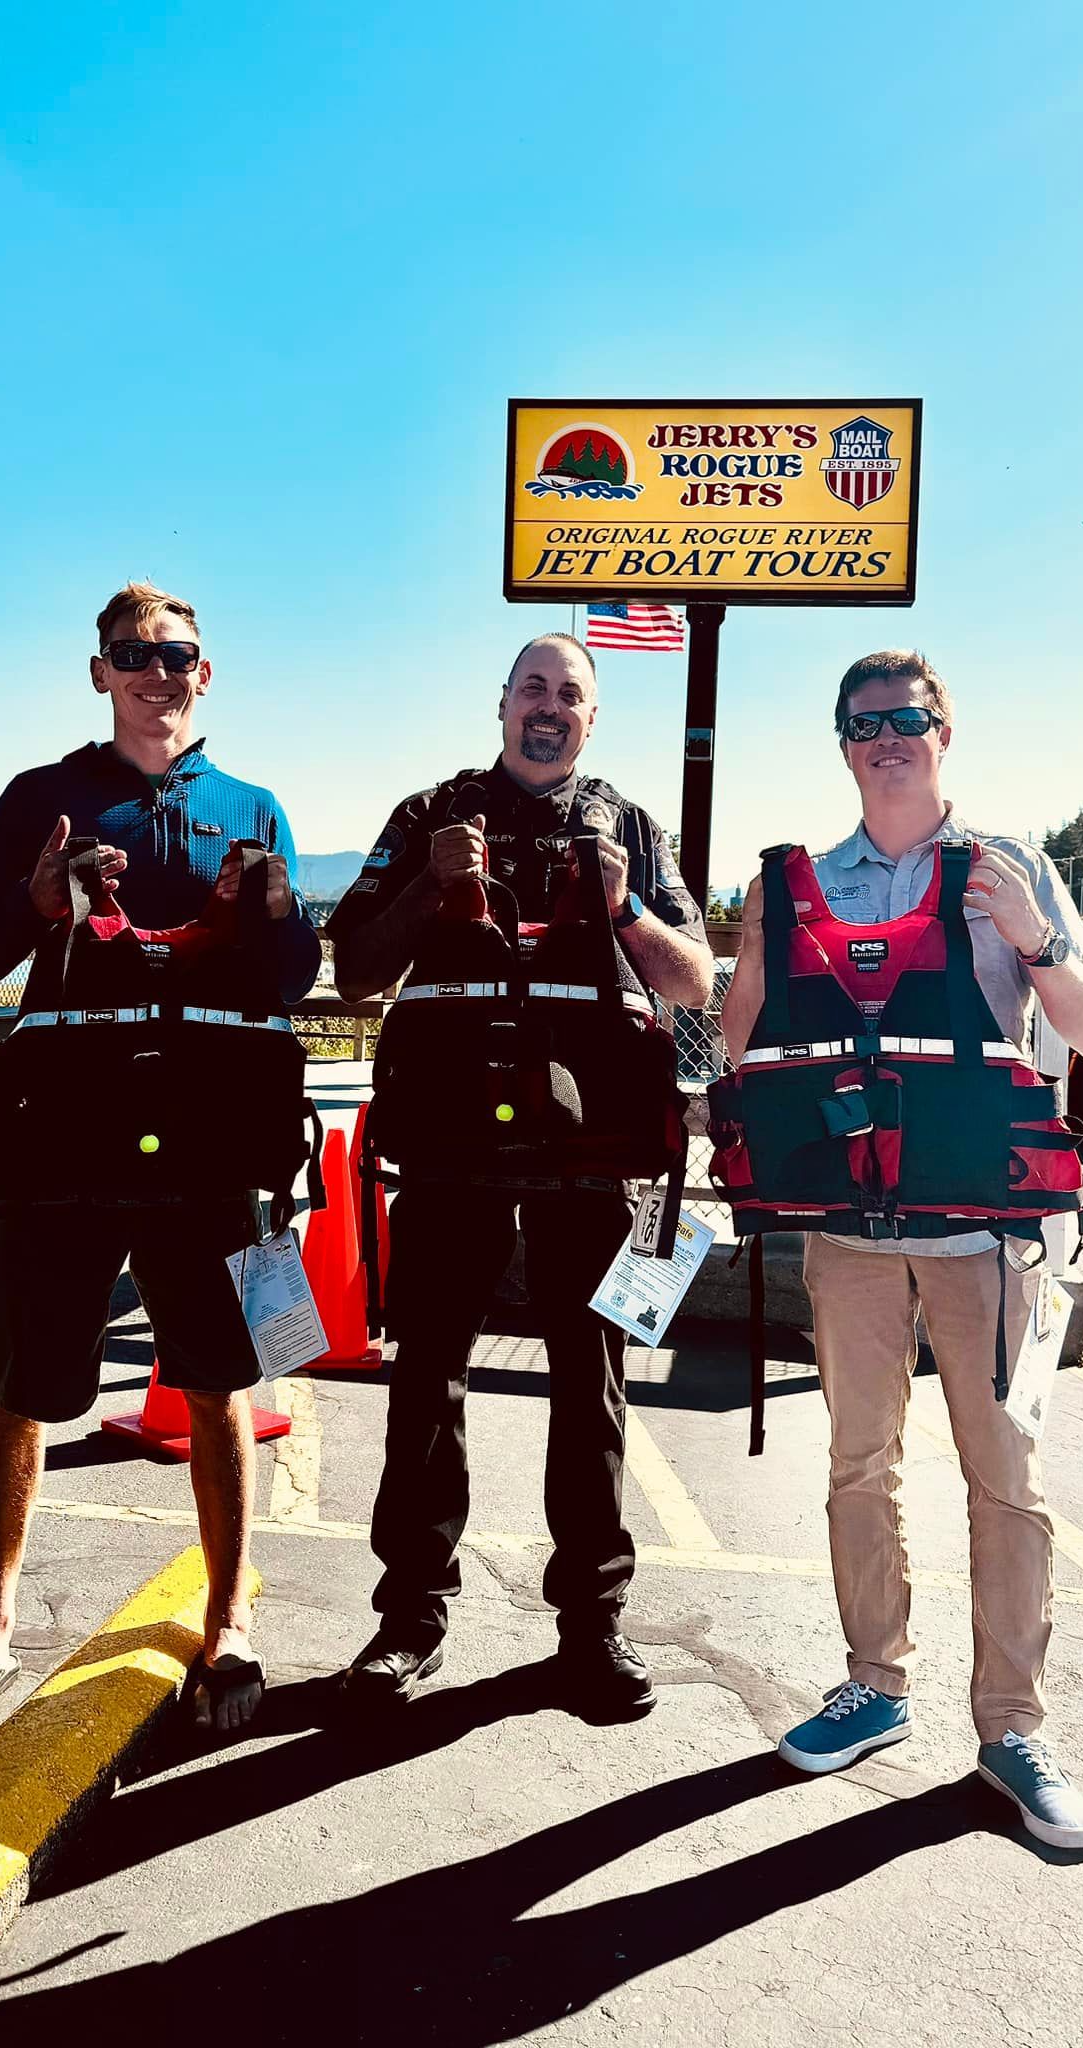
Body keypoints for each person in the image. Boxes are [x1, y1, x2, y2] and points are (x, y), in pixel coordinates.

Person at [0, 581, 320, 1743]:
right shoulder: (41, 797)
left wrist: (272, 916)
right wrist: (35, 898)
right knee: (22, 1387)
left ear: (205, 672)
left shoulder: (252, 807)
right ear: (99, 672)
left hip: (210, 1139)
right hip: (65, 1134)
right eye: (133, 654)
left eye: (176, 654)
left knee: (220, 1382)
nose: (156, 672)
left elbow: (289, 979)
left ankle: (228, 1622)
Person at [720, 649, 1083, 1849]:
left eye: (905, 716)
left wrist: (1032, 938)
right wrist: (754, 962)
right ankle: (873, 1682)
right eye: (863, 722)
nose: (885, 735)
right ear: (842, 743)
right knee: (857, 1462)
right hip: (848, 1231)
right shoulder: (794, 883)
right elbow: (741, 1045)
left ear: (943, 729)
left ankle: (1010, 1728)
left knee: (1004, 1478)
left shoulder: (1010, 867)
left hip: (986, 1234)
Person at [327, 633, 713, 1715]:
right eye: (532, 688)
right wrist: (428, 887)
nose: (548, 707)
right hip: (449, 1141)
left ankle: (591, 1624)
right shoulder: (430, 813)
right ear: (501, 703)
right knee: (425, 1379)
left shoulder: (631, 825)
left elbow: (693, 981)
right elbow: (354, 973)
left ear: (591, 716)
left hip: (591, 1152)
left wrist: (626, 906)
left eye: (568, 694)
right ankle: (409, 1618)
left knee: (591, 1385)